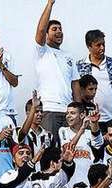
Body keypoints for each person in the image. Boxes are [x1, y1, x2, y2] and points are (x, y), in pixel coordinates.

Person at [33, 0, 80, 137]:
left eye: (60, 29)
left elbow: (75, 84)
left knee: (69, 152)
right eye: (54, 29)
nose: (59, 32)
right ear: (46, 34)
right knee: (51, 152)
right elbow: (40, 30)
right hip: (49, 110)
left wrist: (78, 111)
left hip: (68, 112)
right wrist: (50, 4)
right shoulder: (42, 51)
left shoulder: (69, 56)